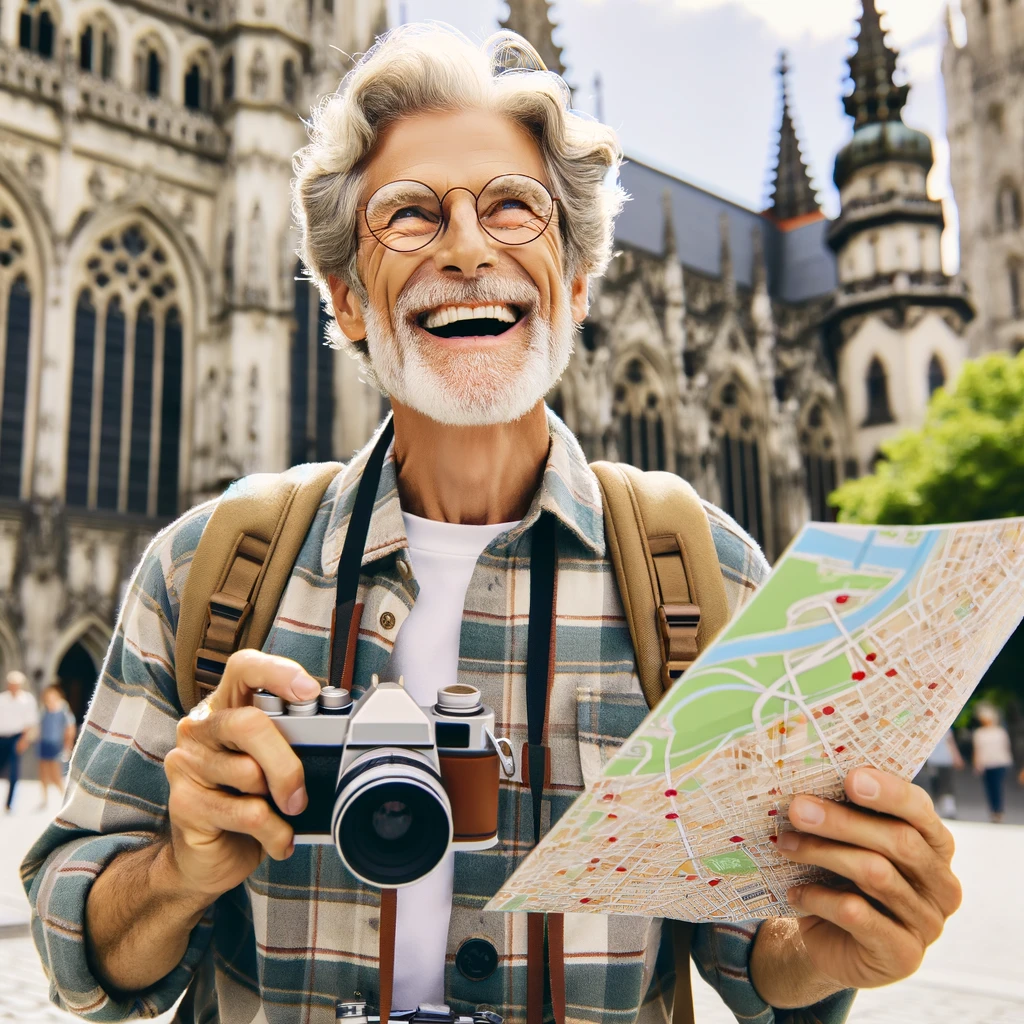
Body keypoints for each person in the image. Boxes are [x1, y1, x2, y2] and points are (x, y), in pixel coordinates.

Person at [22, 25, 963, 1024]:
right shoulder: (203, 575)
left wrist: (825, 945)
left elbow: (759, 958)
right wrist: (177, 866)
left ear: (579, 280)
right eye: (411, 216)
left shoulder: (708, 579)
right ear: (343, 297)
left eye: (514, 209)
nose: (468, 248)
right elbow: (73, 953)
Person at [0, 670, 40, 813]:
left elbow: (30, 723)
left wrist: (24, 741)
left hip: (16, 738)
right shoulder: (2, 699)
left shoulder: (27, 700)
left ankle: (9, 804)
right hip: (1, 737)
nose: (13, 687)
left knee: (13, 773)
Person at [972, 704, 1014, 823]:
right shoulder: (979, 733)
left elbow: (1006, 747)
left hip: (1000, 762)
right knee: (989, 787)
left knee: (997, 786)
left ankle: (998, 810)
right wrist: (977, 764)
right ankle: (994, 810)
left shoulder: (1000, 732)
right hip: (986, 763)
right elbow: (977, 750)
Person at [36, 684, 76, 808]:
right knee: (43, 771)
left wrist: (68, 745)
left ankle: (65, 797)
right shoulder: (44, 709)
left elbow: (70, 727)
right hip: (44, 743)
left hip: (56, 744)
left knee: (55, 774)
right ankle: (44, 798)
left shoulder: (63, 709)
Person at [926, 729, 964, 819]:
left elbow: (951, 743)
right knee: (938, 785)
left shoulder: (945, 727)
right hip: (935, 761)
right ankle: (941, 808)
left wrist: (956, 757)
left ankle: (947, 808)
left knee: (944, 785)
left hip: (943, 760)